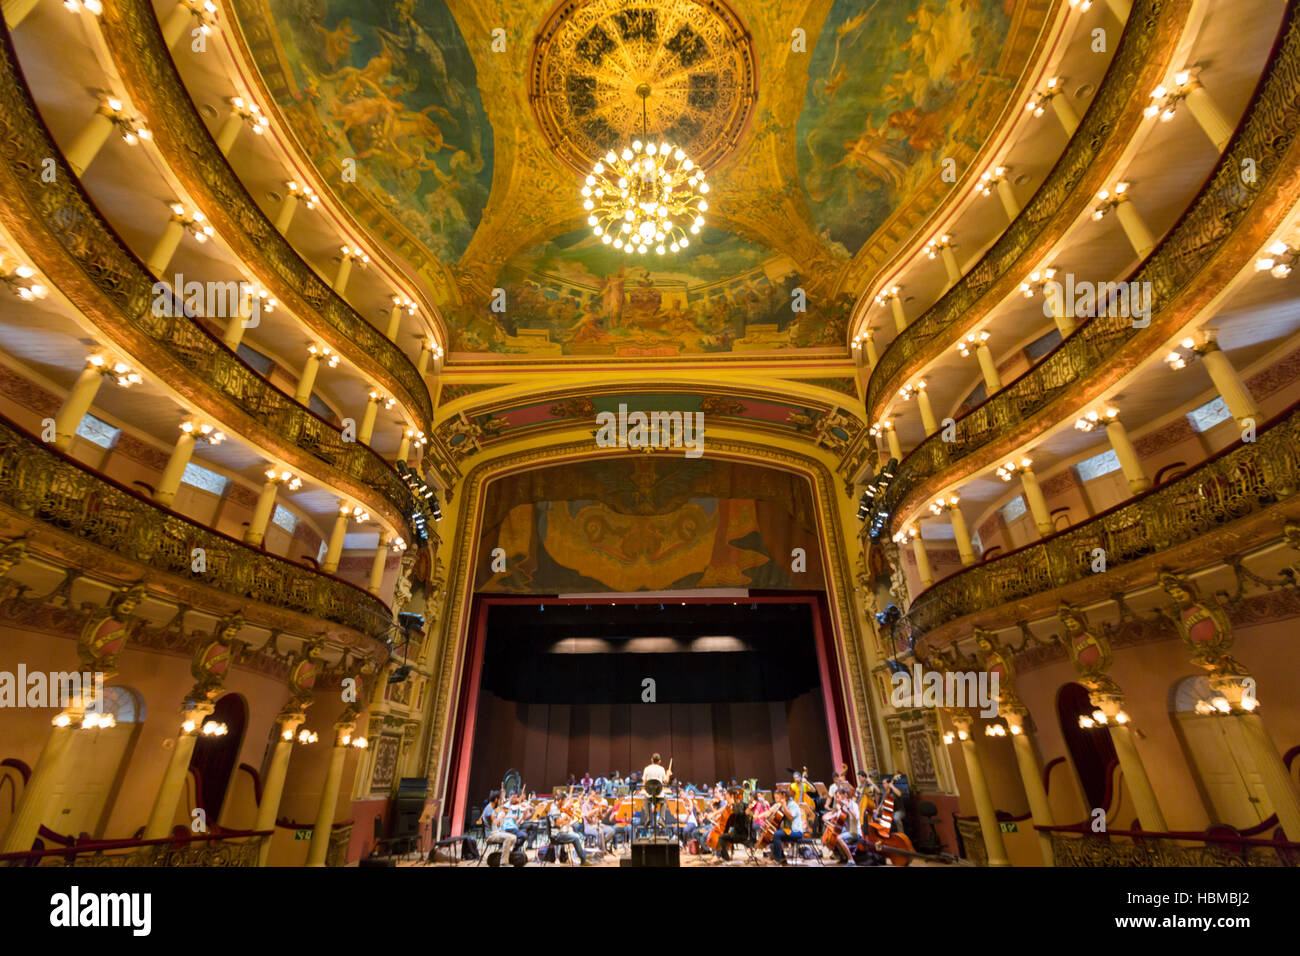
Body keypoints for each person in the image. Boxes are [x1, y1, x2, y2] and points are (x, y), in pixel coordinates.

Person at [548, 796, 593, 866]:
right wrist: (568, 818)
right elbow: (559, 824)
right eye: (566, 802)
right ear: (560, 801)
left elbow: (565, 824)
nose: (569, 805)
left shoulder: (558, 810)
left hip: (562, 832)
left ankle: (579, 858)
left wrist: (571, 817)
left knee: (577, 836)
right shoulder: (556, 810)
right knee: (575, 837)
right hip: (558, 834)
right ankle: (583, 859)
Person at [768, 787, 805, 866]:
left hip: (796, 832)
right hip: (788, 831)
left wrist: (784, 806)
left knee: (777, 835)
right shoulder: (785, 803)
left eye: (780, 796)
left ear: (784, 795)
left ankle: (777, 859)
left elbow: (791, 817)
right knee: (772, 835)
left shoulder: (792, 804)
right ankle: (782, 858)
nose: (778, 798)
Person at [641, 753, 671, 834]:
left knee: (646, 801)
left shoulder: (646, 769)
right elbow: (666, 781)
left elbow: (644, 783)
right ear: (660, 761)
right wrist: (668, 774)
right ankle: (661, 818)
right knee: (664, 801)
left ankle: (648, 818)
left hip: (649, 794)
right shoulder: (662, 769)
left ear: (651, 760)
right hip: (659, 794)